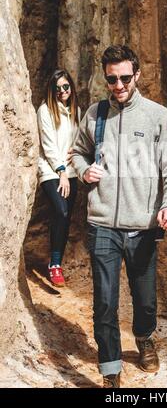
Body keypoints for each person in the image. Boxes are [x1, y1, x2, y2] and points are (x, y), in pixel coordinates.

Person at [72, 45, 167, 388]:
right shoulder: (95, 114)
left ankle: (144, 337)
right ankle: (110, 368)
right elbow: (77, 152)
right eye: (112, 79)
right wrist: (83, 171)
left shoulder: (158, 116)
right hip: (102, 224)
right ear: (105, 78)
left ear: (136, 75)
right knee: (104, 301)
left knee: (145, 297)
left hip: (143, 226)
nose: (118, 84)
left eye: (124, 77)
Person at [37, 69, 80, 287]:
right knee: (61, 211)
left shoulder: (76, 111)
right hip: (51, 171)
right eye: (58, 88)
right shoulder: (45, 110)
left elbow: (80, 140)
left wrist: (78, 152)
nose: (63, 91)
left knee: (65, 217)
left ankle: (56, 265)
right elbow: (49, 145)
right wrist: (61, 171)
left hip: (71, 172)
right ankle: (54, 265)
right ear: (52, 91)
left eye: (66, 86)